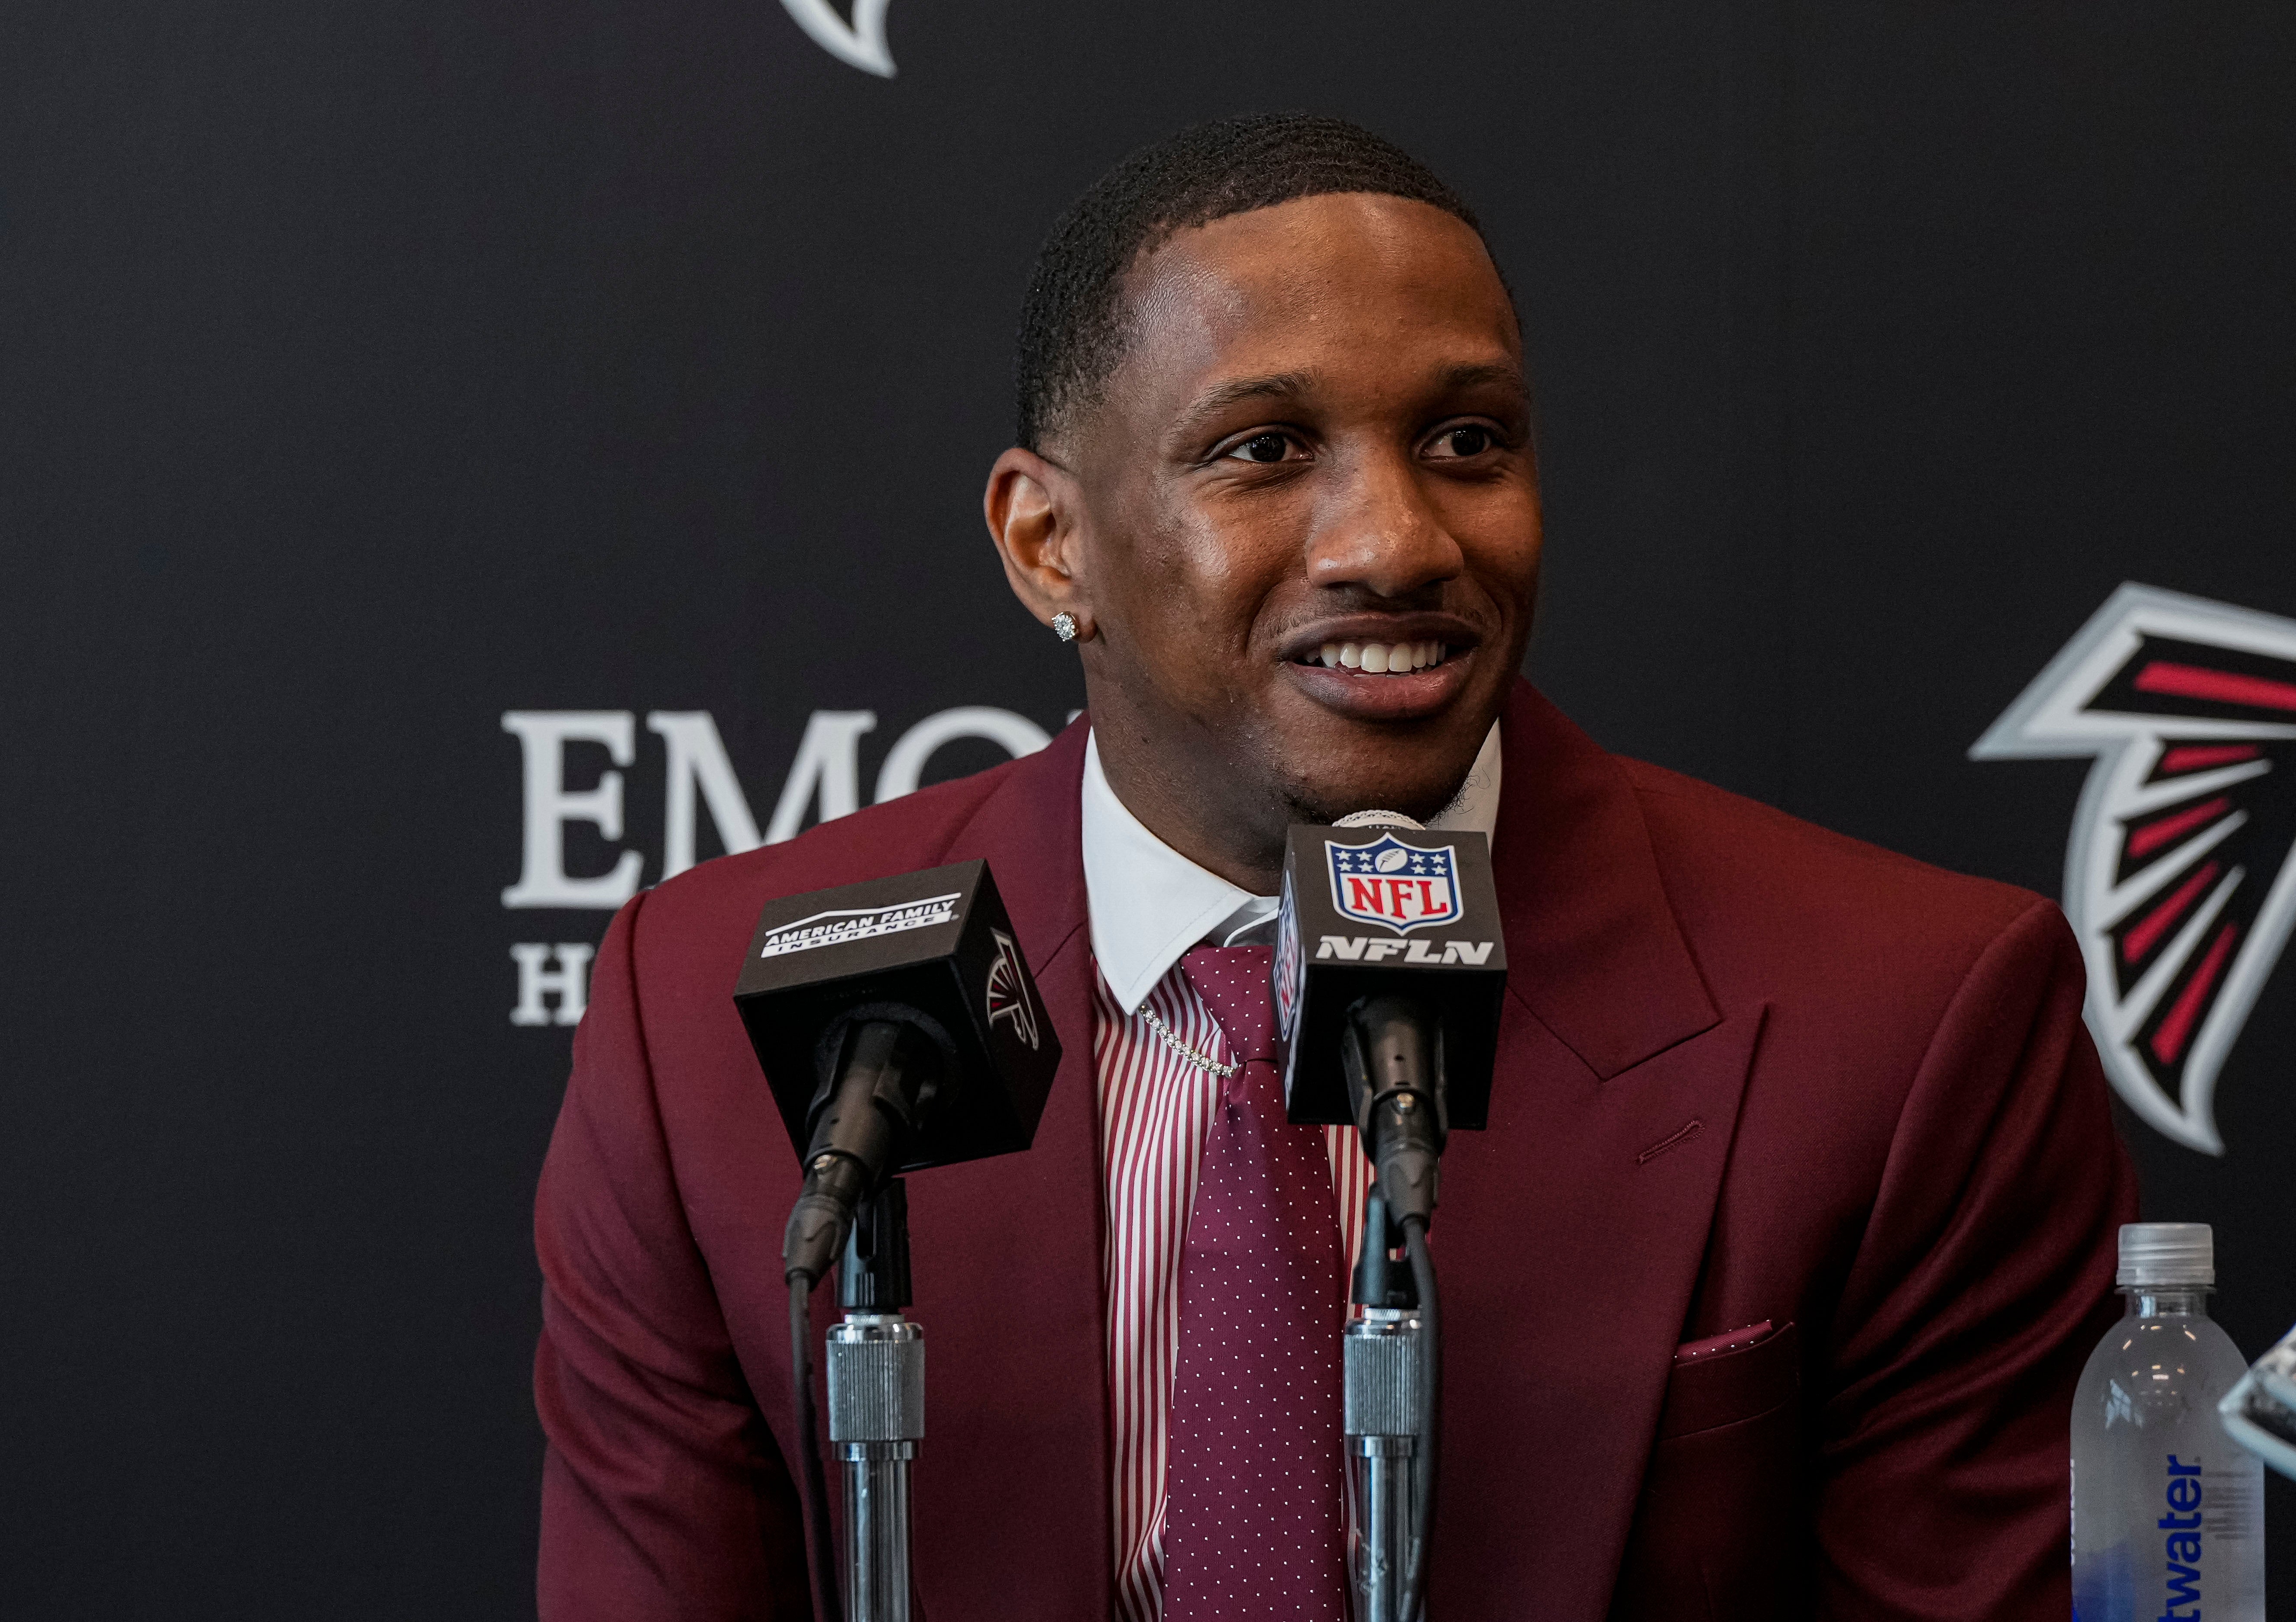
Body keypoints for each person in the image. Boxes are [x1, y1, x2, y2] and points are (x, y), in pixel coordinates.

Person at [534, 113, 2136, 1621]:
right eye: (1263, 448)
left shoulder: (1912, 1018)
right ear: (1050, 546)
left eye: (1465, 439)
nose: (1396, 540)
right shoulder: (701, 1020)